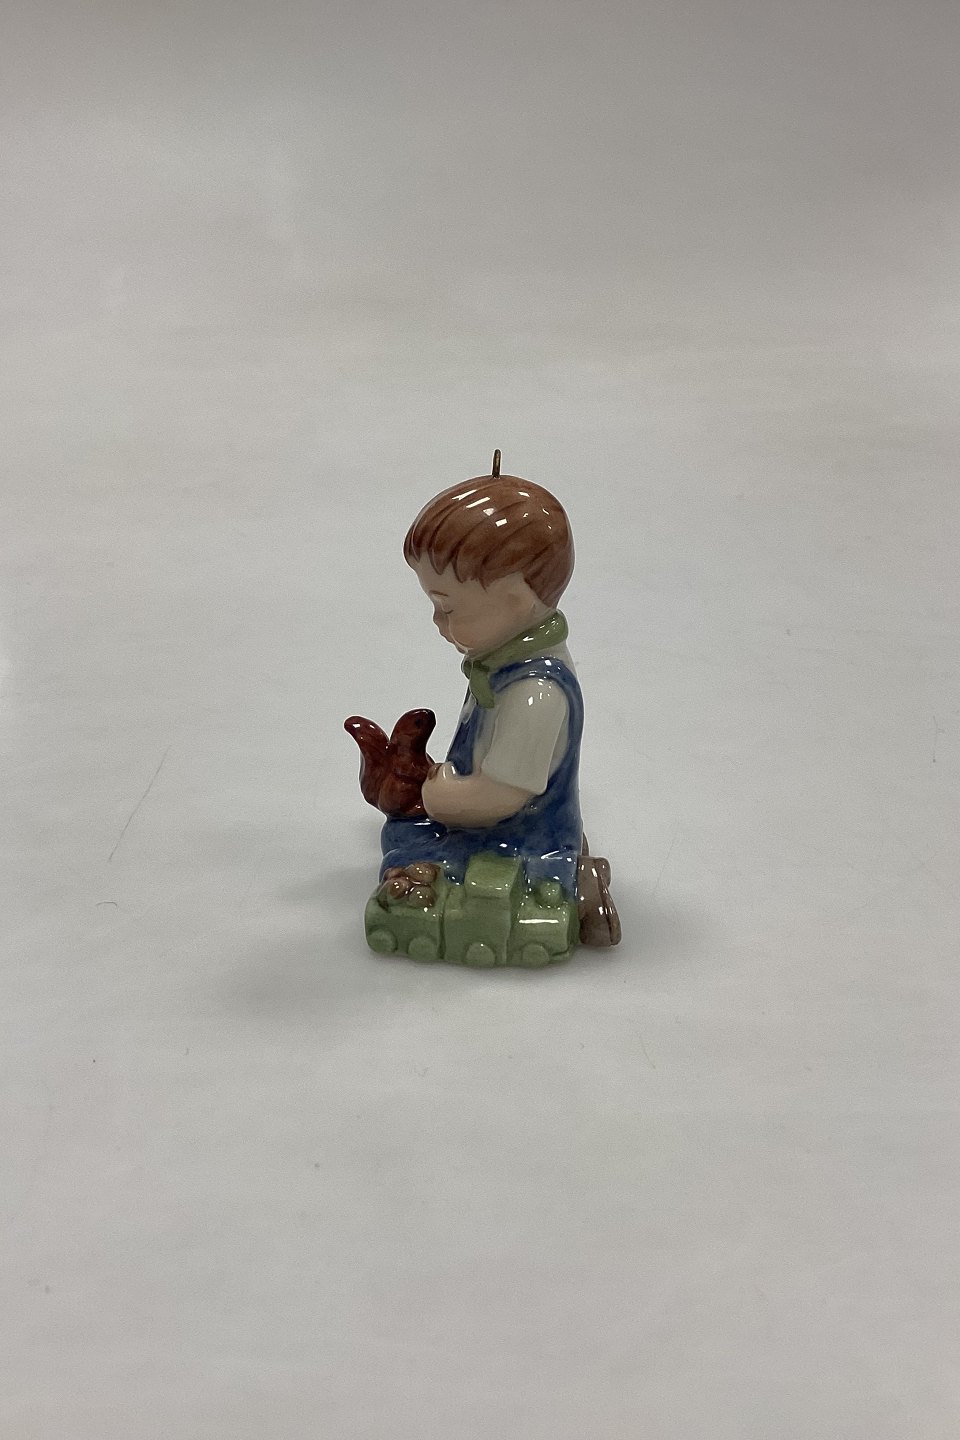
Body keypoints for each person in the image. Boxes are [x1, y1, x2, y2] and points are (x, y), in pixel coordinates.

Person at [379, 464, 584, 898]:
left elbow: (500, 797)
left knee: (407, 842)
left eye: (447, 607)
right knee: (402, 829)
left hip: (517, 836)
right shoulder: (499, 664)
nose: (436, 621)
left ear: (515, 600)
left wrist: (437, 797)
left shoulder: (535, 694)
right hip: (484, 816)